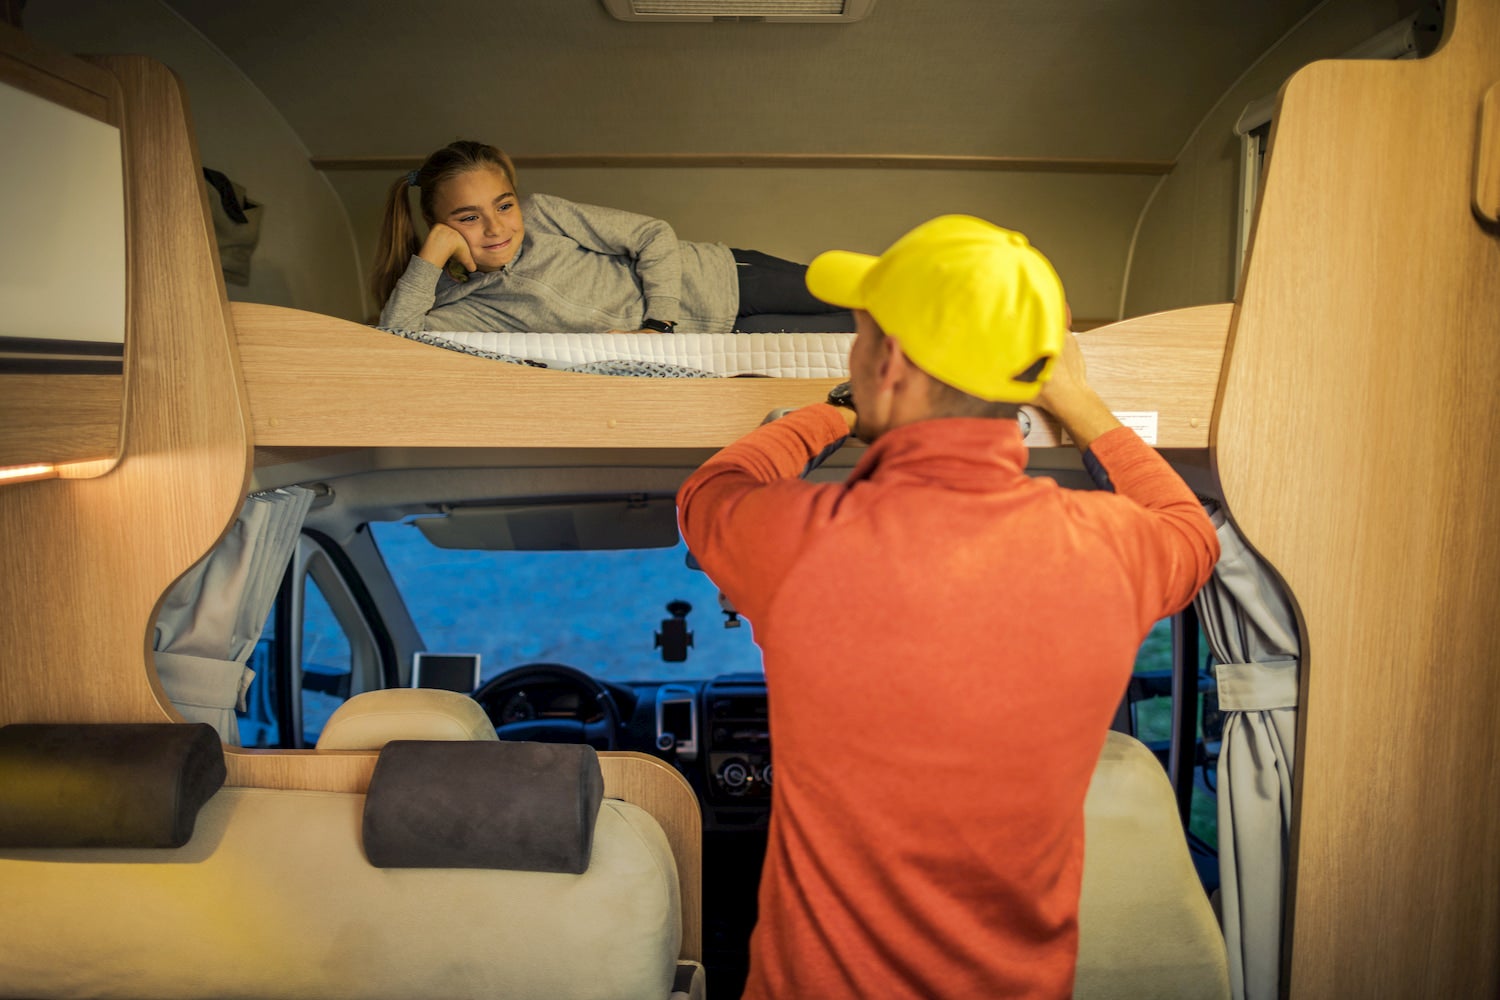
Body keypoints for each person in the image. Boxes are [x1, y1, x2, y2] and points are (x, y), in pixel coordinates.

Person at [676, 215, 1220, 999]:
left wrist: (834, 413)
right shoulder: (1110, 548)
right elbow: (1191, 535)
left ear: (888, 361)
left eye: (858, 339)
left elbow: (710, 495)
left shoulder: (801, 542)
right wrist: (1079, 399)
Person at [371, 140, 850, 334]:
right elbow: (397, 339)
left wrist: (656, 326)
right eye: (468, 218)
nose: (497, 228)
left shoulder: (543, 216)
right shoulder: (462, 308)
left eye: (503, 205)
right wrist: (432, 253)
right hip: (719, 334)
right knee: (858, 334)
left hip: (726, 275)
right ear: (439, 226)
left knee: (861, 295)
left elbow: (652, 235)